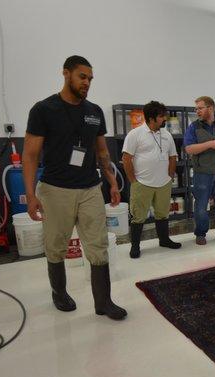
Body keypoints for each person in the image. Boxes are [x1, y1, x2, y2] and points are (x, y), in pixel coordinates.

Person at [23, 55, 126, 320]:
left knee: (98, 245)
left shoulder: (94, 112)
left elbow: (102, 151)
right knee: (56, 245)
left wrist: (112, 182)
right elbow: (31, 155)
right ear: (66, 73)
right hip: (55, 189)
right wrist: (31, 194)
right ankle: (59, 293)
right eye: (82, 76)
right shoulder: (43, 109)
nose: (87, 83)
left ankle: (103, 302)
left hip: (90, 187)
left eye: (90, 79)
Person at [122, 101, 181, 258]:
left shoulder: (167, 135)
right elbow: (127, 158)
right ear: (151, 118)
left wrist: (170, 175)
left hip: (164, 183)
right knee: (138, 216)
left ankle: (164, 240)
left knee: (163, 214)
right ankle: (135, 246)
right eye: (161, 116)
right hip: (142, 183)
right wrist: (133, 180)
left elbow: (173, 156)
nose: (165, 119)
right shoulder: (135, 134)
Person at [184, 96, 215, 245]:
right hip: (202, 173)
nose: (197, 111)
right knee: (200, 205)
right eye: (196, 109)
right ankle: (200, 234)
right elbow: (189, 148)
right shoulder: (194, 127)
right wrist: (210, 144)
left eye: (200, 108)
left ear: (211, 108)